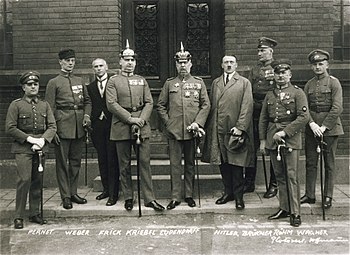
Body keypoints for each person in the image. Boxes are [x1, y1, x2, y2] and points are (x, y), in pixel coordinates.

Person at [105, 40, 164, 212]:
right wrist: (130, 119)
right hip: (121, 126)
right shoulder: (113, 81)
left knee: (144, 163)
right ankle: (129, 197)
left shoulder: (141, 80)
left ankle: (149, 198)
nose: (129, 63)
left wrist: (142, 120)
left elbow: (149, 102)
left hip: (141, 126)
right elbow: (111, 104)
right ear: (120, 61)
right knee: (124, 165)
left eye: (132, 60)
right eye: (126, 59)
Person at [157, 43, 210, 210]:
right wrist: (168, 123)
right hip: (174, 132)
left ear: (191, 64)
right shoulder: (170, 84)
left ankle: (188, 195)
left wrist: (198, 123)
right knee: (174, 165)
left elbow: (206, 105)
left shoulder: (198, 83)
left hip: (192, 131)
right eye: (179, 63)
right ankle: (175, 197)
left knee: (190, 164)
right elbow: (160, 105)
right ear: (175, 64)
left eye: (185, 62)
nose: (182, 65)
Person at [259, 59, 309, 227]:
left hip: (291, 139)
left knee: (292, 176)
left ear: (290, 75)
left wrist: (285, 132)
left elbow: (304, 117)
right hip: (273, 139)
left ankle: (295, 212)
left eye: (284, 73)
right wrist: (263, 141)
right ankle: (284, 208)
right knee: (280, 176)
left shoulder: (297, 93)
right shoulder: (269, 95)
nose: (280, 76)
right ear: (274, 75)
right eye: (278, 73)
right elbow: (264, 119)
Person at [202, 55, 254, 210]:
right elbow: (212, 107)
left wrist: (240, 127)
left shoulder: (244, 83)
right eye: (226, 62)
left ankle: (239, 196)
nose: (229, 65)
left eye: (231, 62)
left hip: (234, 129)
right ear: (221, 65)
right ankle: (228, 192)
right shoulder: (216, 82)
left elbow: (247, 106)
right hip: (219, 129)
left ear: (236, 65)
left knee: (236, 163)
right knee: (223, 162)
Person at [5, 71, 57, 229]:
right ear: (23, 87)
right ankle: (19, 216)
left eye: (35, 84)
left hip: (41, 147)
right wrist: (30, 139)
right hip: (23, 149)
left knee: (37, 180)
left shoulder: (44, 105)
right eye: (29, 84)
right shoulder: (16, 105)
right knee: (24, 179)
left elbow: (52, 126)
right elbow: (10, 128)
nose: (33, 87)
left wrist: (42, 140)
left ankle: (35, 213)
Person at [45, 49, 92, 210]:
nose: (70, 63)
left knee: (75, 162)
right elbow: (49, 108)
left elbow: (87, 102)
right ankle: (65, 196)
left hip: (79, 127)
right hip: (62, 127)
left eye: (72, 60)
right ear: (60, 62)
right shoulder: (54, 82)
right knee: (62, 164)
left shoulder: (79, 80)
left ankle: (73, 192)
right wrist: (53, 130)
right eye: (67, 60)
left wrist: (87, 116)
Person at [300, 49, 344, 209]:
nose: (318, 67)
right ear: (312, 67)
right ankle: (310, 194)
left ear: (327, 65)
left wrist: (324, 127)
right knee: (310, 162)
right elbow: (304, 108)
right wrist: (311, 124)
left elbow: (337, 107)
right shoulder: (309, 84)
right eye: (315, 64)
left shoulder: (334, 83)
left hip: (330, 130)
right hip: (312, 129)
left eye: (321, 64)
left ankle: (328, 196)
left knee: (329, 163)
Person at [245, 37, 278, 198]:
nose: (260, 53)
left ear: (271, 51)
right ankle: (249, 182)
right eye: (258, 51)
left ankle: (274, 184)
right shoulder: (254, 70)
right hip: (255, 112)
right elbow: (249, 90)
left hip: (271, 113)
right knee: (252, 148)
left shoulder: (277, 68)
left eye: (263, 50)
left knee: (271, 148)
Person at [87, 58, 120, 206]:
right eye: (96, 67)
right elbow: (90, 104)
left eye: (101, 66)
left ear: (106, 67)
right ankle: (106, 189)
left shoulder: (114, 84)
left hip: (112, 125)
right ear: (93, 69)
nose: (99, 68)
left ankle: (114, 194)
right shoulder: (90, 87)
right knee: (102, 158)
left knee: (112, 159)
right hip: (97, 127)